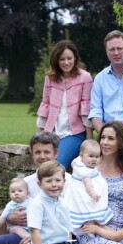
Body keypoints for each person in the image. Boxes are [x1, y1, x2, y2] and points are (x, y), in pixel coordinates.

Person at [36, 40, 93, 168]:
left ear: (75, 58)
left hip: (74, 134)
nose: (66, 62)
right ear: (56, 60)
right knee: (42, 165)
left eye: (69, 58)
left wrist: (89, 141)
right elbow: (45, 105)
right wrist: (39, 136)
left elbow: (86, 108)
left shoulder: (85, 77)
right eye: (62, 59)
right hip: (51, 133)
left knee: (56, 166)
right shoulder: (50, 78)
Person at [64, 139, 113, 237]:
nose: (94, 159)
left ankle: (92, 228)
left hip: (88, 188)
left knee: (91, 210)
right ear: (81, 155)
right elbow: (87, 184)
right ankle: (83, 231)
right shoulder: (82, 169)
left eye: (97, 156)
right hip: (84, 192)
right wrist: (93, 194)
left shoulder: (83, 162)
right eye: (91, 156)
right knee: (86, 210)